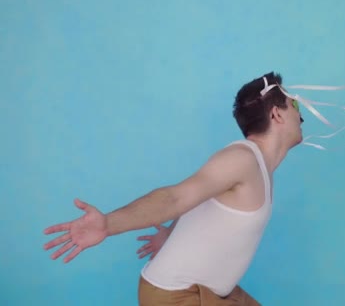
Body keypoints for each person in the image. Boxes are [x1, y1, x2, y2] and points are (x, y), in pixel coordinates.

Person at [43, 72, 305, 305]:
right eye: (293, 102)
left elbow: (202, 198)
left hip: (211, 292)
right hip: (176, 295)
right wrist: (108, 224)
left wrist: (170, 232)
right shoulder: (242, 160)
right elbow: (175, 197)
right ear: (276, 114)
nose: (300, 110)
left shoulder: (258, 166)